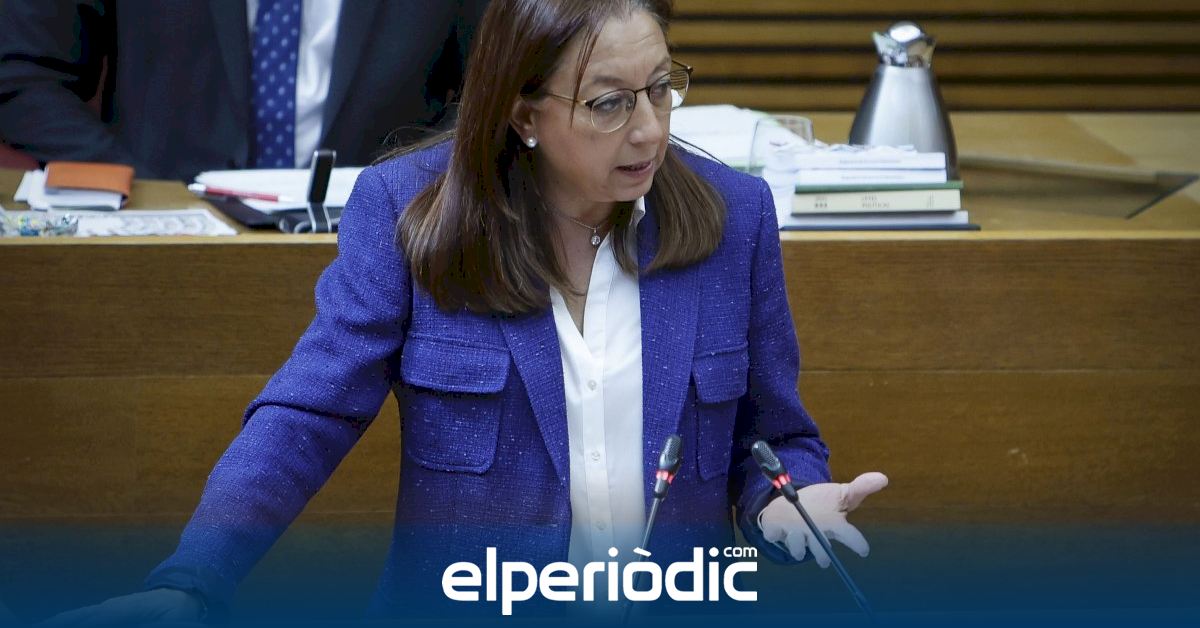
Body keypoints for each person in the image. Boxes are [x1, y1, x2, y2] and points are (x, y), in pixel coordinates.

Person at [42, 0, 887, 623]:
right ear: (524, 113)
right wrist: (193, 580)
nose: (649, 131)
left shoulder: (733, 217)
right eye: (608, 102)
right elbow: (307, 413)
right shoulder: (410, 211)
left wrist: (788, 502)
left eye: (662, 89)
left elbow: (774, 438)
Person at [0, 1, 489, 180]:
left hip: (394, 263)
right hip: (155, 245)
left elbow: (503, 91)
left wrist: (416, 186)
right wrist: (138, 187)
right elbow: (22, 73)